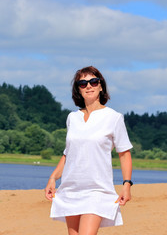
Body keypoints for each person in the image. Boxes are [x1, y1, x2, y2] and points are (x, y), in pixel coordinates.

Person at [44, 66, 133, 235]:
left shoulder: (114, 118)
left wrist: (127, 184)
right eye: (83, 83)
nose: (89, 86)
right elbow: (68, 153)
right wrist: (53, 178)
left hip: (97, 190)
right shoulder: (72, 118)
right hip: (70, 188)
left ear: (101, 86)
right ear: (78, 89)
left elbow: (124, 153)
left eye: (93, 81)